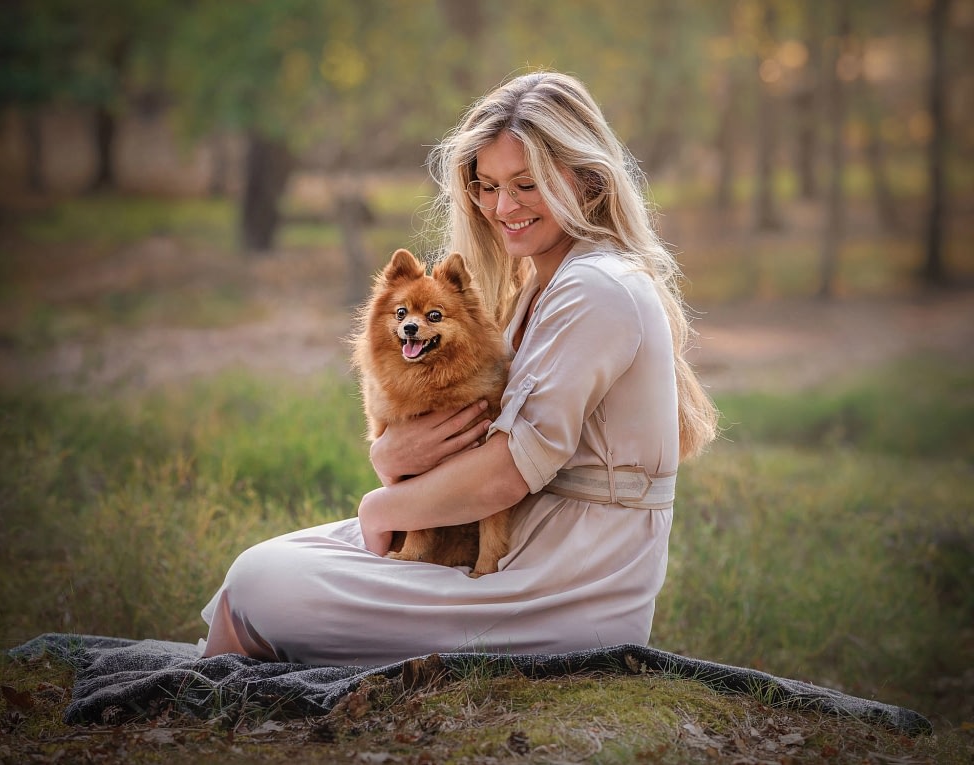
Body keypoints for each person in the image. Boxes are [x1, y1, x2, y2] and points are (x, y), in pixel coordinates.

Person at [200, 71, 718, 665]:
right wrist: (390, 458)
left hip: (563, 586)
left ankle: (197, 707)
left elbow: (507, 474)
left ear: (590, 182)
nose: (504, 207)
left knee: (259, 585)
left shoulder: (597, 288)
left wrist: (380, 506)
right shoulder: (549, 282)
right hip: (515, 547)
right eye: (487, 186)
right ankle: (202, 703)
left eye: (527, 184)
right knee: (263, 568)